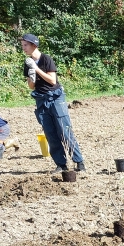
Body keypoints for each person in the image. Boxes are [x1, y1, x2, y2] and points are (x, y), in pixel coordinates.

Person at [20, 33, 85, 172]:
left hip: (55, 98)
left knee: (64, 130)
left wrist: (36, 69)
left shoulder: (46, 59)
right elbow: (31, 86)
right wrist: (31, 75)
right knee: (50, 133)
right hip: (41, 99)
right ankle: (61, 164)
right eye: (22, 45)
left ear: (34, 45)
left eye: (25, 45)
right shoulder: (28, 62)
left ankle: (79, 163)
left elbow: (52, 80)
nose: (23, 48)